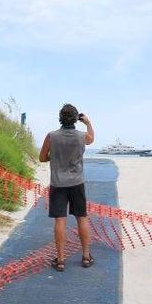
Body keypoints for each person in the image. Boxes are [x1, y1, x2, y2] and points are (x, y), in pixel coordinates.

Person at [38, 103, 95, 271]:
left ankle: (61, 260)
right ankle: (86, 256)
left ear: (60, 118)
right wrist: (88, 122)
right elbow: (92, 138)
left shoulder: (51, 136)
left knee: (60, 220)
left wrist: (55, 157)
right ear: (76, 118)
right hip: (77, 183)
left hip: (58, 183)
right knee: (81, 218)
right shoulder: (81, 137)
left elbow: (42, 158)